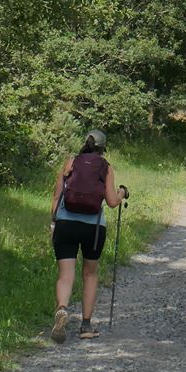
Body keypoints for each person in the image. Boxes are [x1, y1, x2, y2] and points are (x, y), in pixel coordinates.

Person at [48, 129, 128, 343]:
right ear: (103, 148)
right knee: (90, 274)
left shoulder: (70, 162)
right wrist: (122, 193)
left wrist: (53, 223)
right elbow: (111, 201)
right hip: (92, 227)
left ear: (85, 143)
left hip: (65, 223)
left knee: (65, 274)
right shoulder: (105, 166)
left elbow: (57, 196)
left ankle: (62, 308)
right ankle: (85, 325)